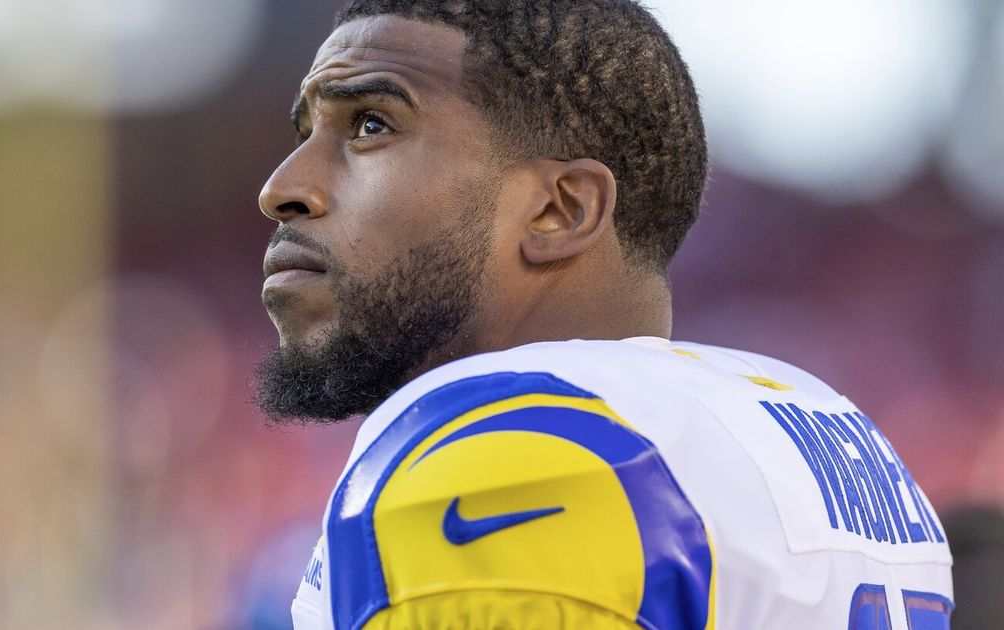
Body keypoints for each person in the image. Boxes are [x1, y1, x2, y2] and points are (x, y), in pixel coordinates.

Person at [254, 1, 953, 628]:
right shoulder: (826, 425)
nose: (282, 187)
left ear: (561, 210)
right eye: (305, 131)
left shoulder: (507, 447)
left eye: (370, 125)